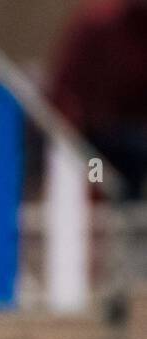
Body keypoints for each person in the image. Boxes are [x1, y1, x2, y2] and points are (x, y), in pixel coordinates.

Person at [50, 0, 147, 199]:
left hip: (131, 135)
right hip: (92, 135)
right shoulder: (100, 23)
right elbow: (66, 83)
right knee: (98, 177)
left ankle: (123, 209)